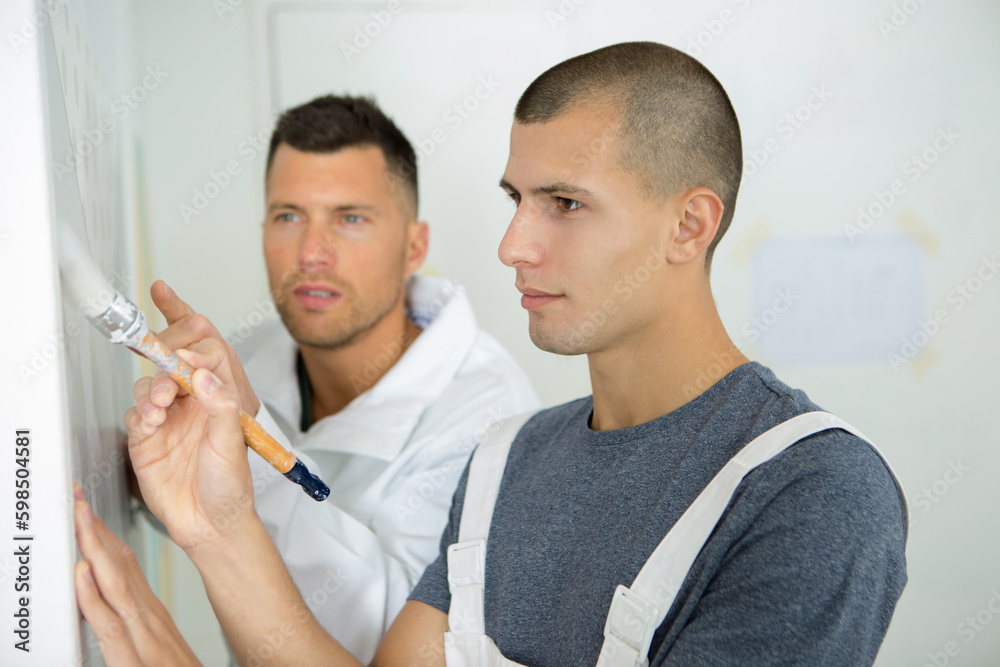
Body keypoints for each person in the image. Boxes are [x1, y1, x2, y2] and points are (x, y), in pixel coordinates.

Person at [75, 42, 907, 666]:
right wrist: (216, 525)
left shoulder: (812, 490)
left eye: (566, 203)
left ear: (689, 224)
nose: (513, 244)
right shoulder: (510, 457)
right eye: (517, 200)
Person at [127, 94, 539, 662]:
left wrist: (253, 446)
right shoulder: (248, 356)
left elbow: (388, 644)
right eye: (289, 216)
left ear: (414, 246)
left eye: (350, 218)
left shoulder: (493, 416)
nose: (312, 253)